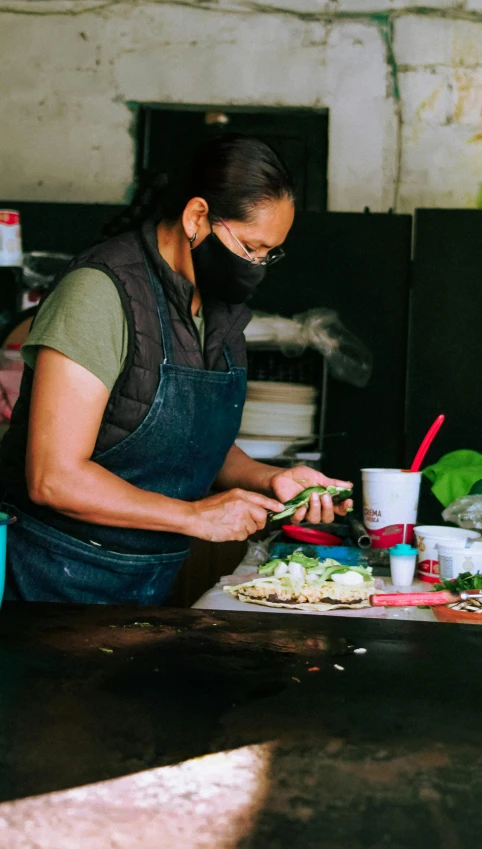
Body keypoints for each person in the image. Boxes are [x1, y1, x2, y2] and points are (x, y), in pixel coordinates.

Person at [0, 134, 352, 604]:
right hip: (50, 576)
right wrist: (194, 516)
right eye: (251, 248)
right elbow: (54, 477)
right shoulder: (100, 294)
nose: (259, 267)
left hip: (144, 579)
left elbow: (187, 441)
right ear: (197, 217)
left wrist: (269, 479)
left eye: (270, 254)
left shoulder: (216, 308)